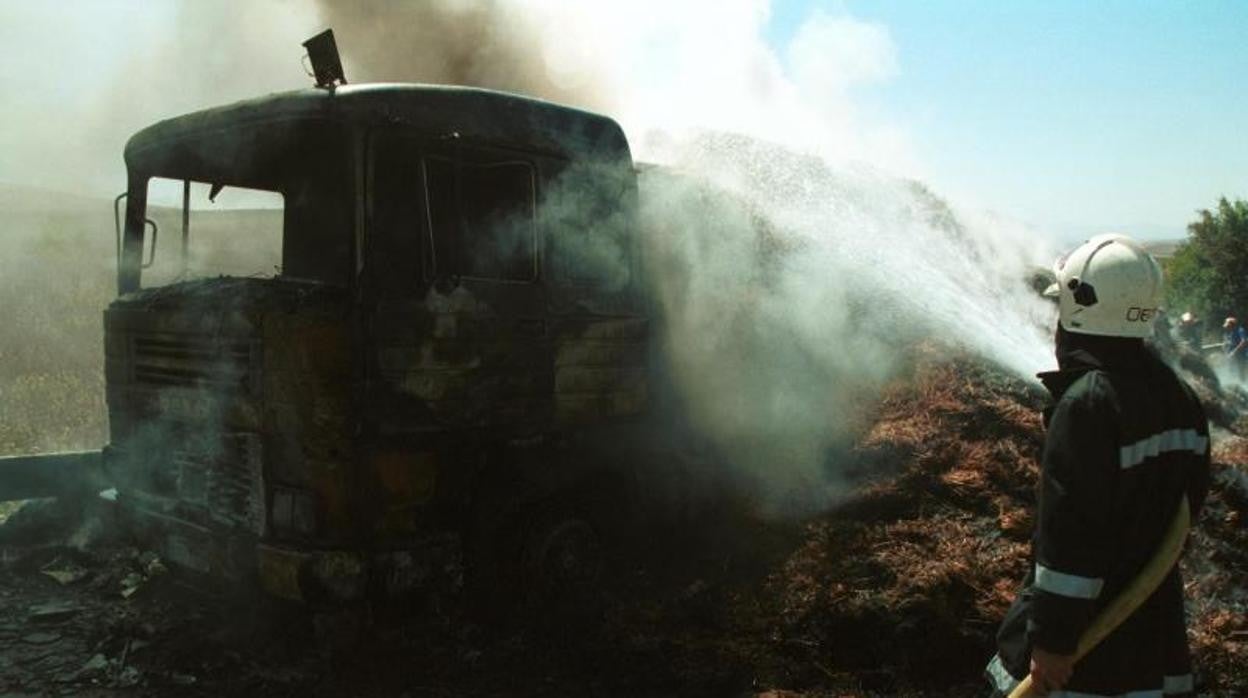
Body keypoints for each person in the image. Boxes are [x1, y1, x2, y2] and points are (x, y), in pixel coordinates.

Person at [984, 234, 1210, 697]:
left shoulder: (1087, 406)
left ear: (1078, 309)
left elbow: (1070, 534)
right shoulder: (1179, 397)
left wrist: (1053, 640)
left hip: (1086, 655)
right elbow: (1185, 513)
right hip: (1151, 638)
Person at [1222, 316, 1247, 382]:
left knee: (1241, 372)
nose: (1227, 328)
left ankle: (1243, 384)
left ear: (1232, 325)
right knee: (1231, 370)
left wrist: (1234, 352)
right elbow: (1227, 342)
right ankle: (1233, 383)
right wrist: (1224, 347)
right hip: (1231, 355)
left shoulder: (1240, 330)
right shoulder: (1229, 332)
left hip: (1240, 355)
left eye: (1228, 326)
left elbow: (1244, 341)